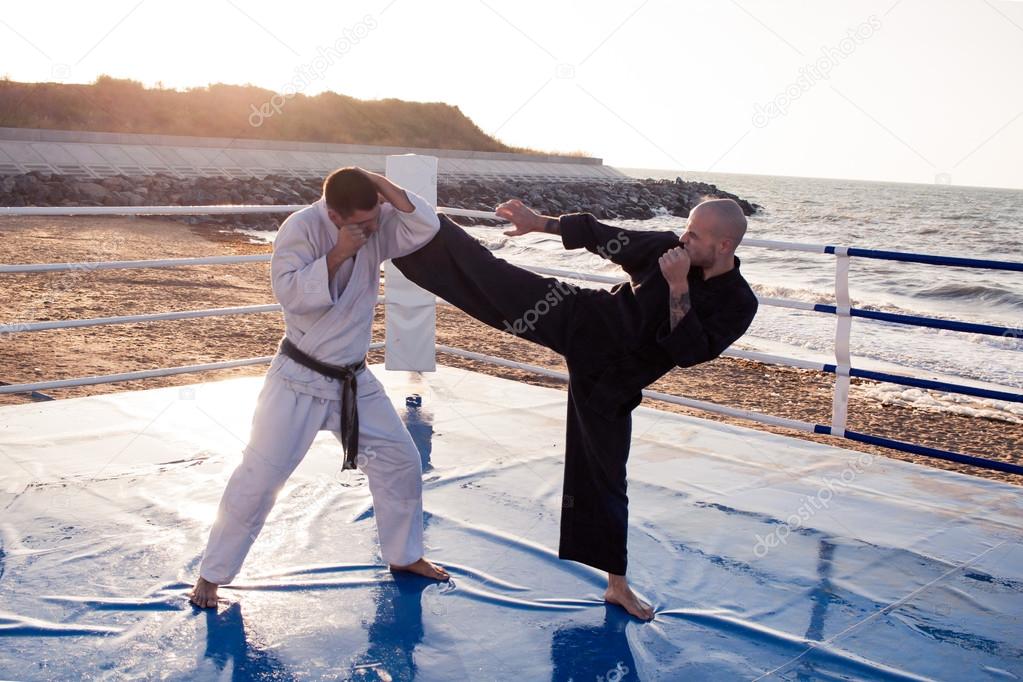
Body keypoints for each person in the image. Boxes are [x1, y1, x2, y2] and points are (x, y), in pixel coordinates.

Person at [392, 197, 757, 619]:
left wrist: (678, 286)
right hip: (581, 319)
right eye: (685, 228)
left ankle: (616, 587)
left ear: (725, 245)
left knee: (604, 476)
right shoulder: (665, 248)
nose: (683, 237)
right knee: (493, 278)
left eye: (694, 234)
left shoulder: (738, 303)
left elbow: (688, 351)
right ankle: (409, 232)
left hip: (612, 382)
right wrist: (538, 222)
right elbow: (604, 236)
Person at [189, 167, 449, 609]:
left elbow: (424, 225)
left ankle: (405, 557)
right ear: (333, 215)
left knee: (399, 460)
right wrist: (338, 254)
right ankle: (211, 577)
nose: (372, 230)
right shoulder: (301, 228)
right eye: (361, 224)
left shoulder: (375, 220)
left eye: (374, 220)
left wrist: (380, 183)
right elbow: (289, 294)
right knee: (259, 477)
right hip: (298, 381)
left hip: (353, 379)